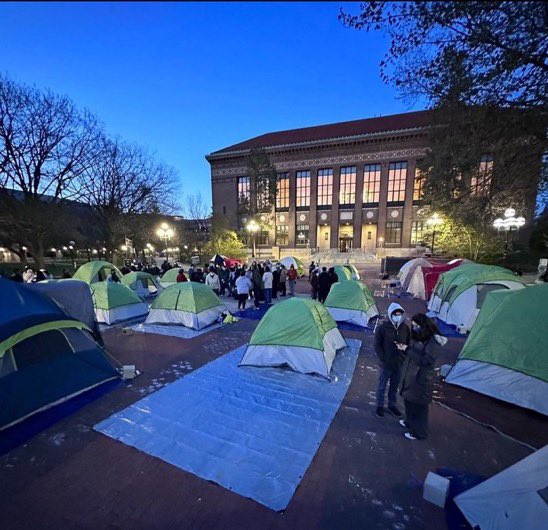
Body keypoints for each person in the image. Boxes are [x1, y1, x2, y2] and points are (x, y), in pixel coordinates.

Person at [397, 313, 447, 440]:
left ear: (423, 325)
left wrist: (407, 350)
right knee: (409, 401)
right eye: (413, 325)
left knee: (418, 408)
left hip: (421, 379)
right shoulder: (419, 336)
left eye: (416, 325)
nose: (414, 328)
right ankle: (409, 422)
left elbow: (427, 361)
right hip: (411, 375)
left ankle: (419, 432)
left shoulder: (433, 342)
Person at [374, 302, 411, 418]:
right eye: (396, 314)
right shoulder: (382, 328)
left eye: (400, 314)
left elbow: (409, 343)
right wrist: (383, 358)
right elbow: (377, 345)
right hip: (386, 363)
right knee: (382, 385)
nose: (398, 317)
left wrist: (404, 354)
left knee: (394, 385)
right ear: (390, 314)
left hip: (399, 363)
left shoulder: (405, 328)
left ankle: (392, 404)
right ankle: (380, 405)